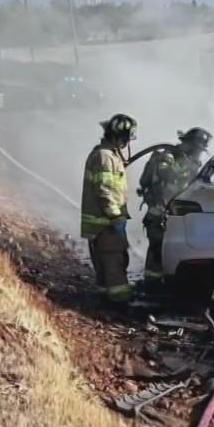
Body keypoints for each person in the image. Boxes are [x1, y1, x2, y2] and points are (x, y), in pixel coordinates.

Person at [139, 127, 212, 286]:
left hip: (174, 214)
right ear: (190, 144)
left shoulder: (190, 161)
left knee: (171, 251)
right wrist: (187, 164)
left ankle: (168, 282)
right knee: (157, 250)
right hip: (158, 212)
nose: (199, 153)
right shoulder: (167, 156)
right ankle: (152, 285)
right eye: (198, 149)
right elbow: (165, 174)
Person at [81, 113, 137, 303]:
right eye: (126, 138)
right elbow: (104, 191)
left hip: (105, 222)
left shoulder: (109, 155)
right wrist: (115, 217)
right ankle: (120, 301)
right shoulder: (105, 157)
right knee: (114, 261)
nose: (126, 143)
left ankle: (106, 300)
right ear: (118, 136)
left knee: (109, 261)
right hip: (105, 223)